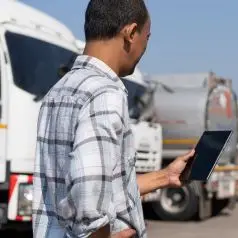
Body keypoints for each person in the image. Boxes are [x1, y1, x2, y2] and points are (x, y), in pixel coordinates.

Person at [32, 0, 194, 237]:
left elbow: (94, 189)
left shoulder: (58, 91)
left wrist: (164, 176)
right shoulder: (105, 92)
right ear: (130, 33)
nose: (144, 48)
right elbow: (88, 196)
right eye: (146, 37)